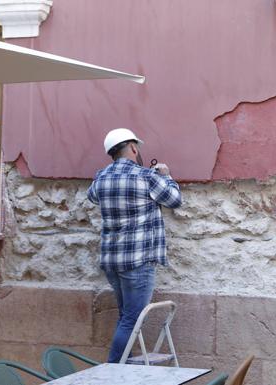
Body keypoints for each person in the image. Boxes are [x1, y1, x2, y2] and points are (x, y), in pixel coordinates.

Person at [87, 128, 182, 363]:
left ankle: (124, 370)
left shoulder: (101, 178)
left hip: (112, 262)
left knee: (125, 317)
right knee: (132, 319)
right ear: (133, 147)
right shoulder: (147, 177)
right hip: (139, 261)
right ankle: (112, 373)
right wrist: (166, 176)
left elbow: (93, 196)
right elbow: (175, 200)